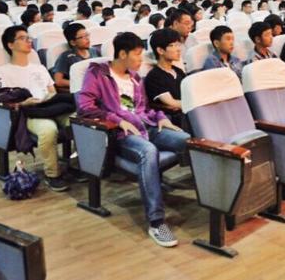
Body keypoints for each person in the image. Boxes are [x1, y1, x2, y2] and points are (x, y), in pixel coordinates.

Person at [77, 32, 189, 247]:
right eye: (137, 54)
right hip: (120, 134)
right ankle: (156, 222)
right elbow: (85, 107)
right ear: (122, 54)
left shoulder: (136, 78)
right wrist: (117, 120)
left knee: (187, 140)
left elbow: (144, 109)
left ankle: (211, 200)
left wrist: (161, 117)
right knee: (148, 151)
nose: (141, 59)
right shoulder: (98, 73)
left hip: (146, 126)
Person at [0, 26, 72, 192]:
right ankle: (53, 174)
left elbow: (52, 91)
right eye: (22, 38)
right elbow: (2, 101)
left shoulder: (39, 68)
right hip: (29, 112)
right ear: (10, 45)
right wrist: (23, 103)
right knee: (48, 130)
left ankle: (79, 165)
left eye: (29, 38)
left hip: (51, 107)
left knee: (79, 121)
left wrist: (49, 98)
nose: (29, 41)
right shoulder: (3, 72)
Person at [144, 29, 186, 127]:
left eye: (178, 45)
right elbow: (171, 103)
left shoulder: (178, 71)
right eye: (172, 45)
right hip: (172, 120)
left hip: (187, 114)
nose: (178, 49)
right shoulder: (154, 76)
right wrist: (193, 104)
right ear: (160, 50)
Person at [52, 23, 97, 89]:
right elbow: (58, 81)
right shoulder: (66, 57)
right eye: (82, 37)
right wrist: (80, 84)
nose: (87, 39)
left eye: (87, 35)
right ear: (73, 42)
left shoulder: (94, 51)